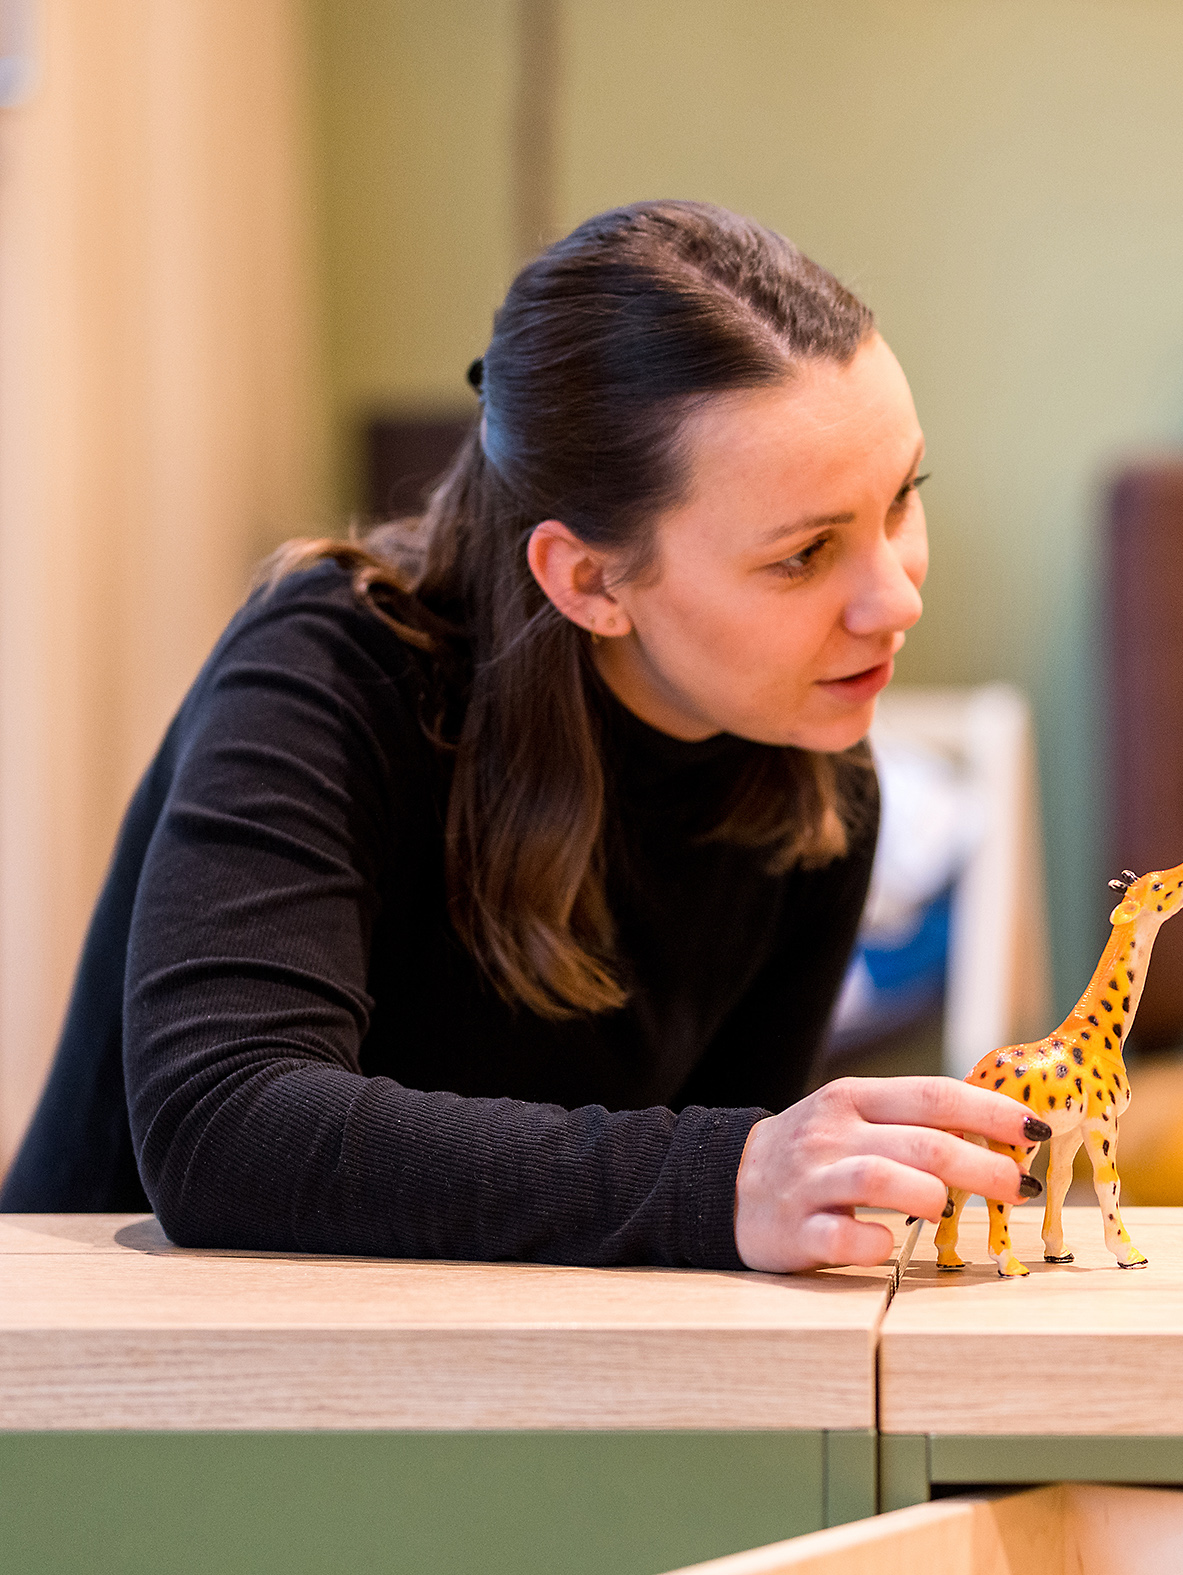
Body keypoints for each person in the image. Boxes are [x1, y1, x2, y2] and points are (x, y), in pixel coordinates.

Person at [0, 200, 1047, 1273]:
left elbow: (721, 1280)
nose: (894, 599)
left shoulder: (818, 782)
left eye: (899, 500)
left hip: (475, 1387)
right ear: (589, 579)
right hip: (111, 1391)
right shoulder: (330, 667)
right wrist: (723, 1175)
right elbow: (225, 1125)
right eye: (803, 555)